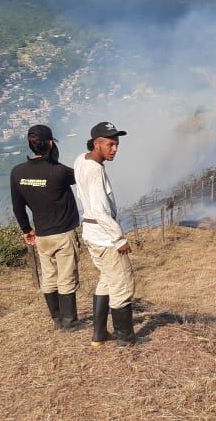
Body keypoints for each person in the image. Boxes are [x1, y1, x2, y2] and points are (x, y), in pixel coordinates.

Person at [9, 125, 82, 331]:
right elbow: (82, 176)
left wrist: (26, 230)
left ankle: (57, 319)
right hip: (63, 233)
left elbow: (17, 206)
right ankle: (70, 322)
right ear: (51, 143)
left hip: (41, 235)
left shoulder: (17, 172)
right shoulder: (59, 172)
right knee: (66, 276)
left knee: (49, 277)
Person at [74, 121, 137, 347]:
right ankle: (125, 338)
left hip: (91, 233)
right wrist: (119, 238)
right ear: (97, 143)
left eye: (117, 144)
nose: (115, 149)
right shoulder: (95, 170)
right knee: (122, 286)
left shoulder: (81, 159)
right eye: (110, 144)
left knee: (106, 281)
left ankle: (99, 334)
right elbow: (100, 211)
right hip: (105, 237)